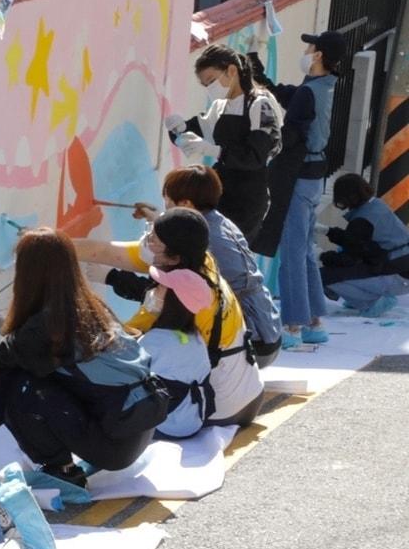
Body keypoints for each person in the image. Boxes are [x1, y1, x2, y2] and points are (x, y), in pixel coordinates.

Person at [0, 229, 168, 490]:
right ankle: (69, 459)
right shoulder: (89, 306)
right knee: (32, 372)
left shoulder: (49, 324)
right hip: (135, 433)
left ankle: (62, 470)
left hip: (114, 446)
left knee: (19, 384)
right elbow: (35, 350)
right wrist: (1, 324)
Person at [77, 208, 265, 428]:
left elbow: (115, 348)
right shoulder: (201, 261)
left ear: (174, 257)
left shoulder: (167, 304)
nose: (145, 242)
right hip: (250, 394)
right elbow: (104, 251)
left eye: (153, 239)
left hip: (216, 408)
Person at [132, 165, 282, 366]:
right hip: (269, 331)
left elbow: (145, 256)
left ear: (185, 203)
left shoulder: (204, 239)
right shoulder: (219, 222)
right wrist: (159, 219)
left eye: (167, 199)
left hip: (251, 342)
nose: (165, 204)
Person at [249, 31, 343, 348]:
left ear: (318, 55)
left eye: (310, 46)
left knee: (291, 252)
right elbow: (286, 95)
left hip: (299, 179)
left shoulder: (309, 92)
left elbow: (291, 135)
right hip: (315, 178)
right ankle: (314, 321)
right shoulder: (322, 86)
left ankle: (291, 326)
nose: (305, 50)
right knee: (302, 250)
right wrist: (256, 69)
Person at [165, 44, 283, 241]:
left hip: (247, 198)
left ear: (232, 70)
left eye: (212, 81)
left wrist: (214, 150)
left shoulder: (260, 104)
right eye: (205, 85)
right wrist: (178, 129)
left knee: (229, 253)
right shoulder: (220, 106)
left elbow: (256, 156)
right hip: (219, 192)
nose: (210, 89)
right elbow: (195, 131)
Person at [136, 266, 216, 439]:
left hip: (166, 426)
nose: (153, 291)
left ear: (173, 301)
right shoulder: (196, 338)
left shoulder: (154, 340)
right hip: (194, 421)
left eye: (159, 287)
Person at [321, 174, 409, 315]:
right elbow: (360, 243)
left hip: (396, 275)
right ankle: (361, 297)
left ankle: (371, 302)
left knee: (325, 276)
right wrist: (331, 232)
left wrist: (326, 257)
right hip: (402, 267)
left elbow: (350, 257)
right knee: (350, 269)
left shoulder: (361, 220)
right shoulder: (377, 205)